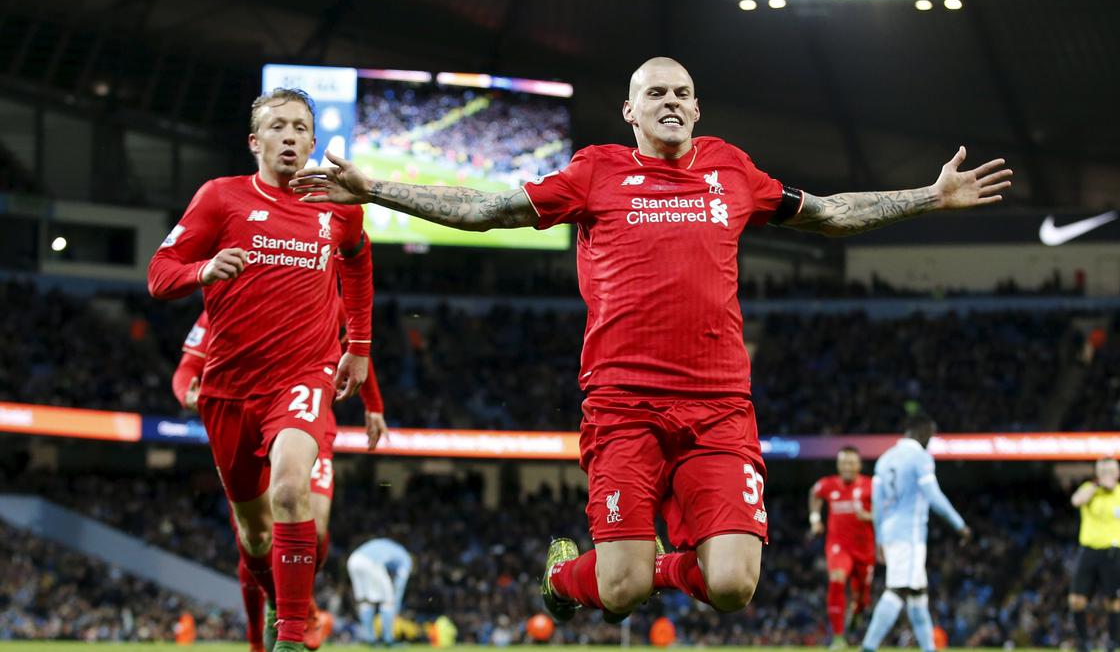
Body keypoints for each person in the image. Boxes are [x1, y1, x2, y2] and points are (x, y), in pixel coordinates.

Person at [289, 56, 1011, 623]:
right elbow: (484, 209)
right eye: (655, 92)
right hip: (623, 407)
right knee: (622, 589)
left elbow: (828, 212)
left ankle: (636, 565)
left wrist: (928, 195)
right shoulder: (594, 172)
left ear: (696, 108)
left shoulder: (733, 170)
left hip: (721, 408)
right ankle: (565, 577)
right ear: (629, 110)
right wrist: (376, 190)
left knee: (732, 585)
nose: (671, 101)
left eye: (683, 92)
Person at [149, 87, 374, 652]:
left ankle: (292, 636)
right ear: (255, 142)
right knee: (253, 534)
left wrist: (361, 346)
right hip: (229, 389)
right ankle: (280, 597)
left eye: (300, 127)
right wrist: (202, 270)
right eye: (278, 127)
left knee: (293, 490)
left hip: (303, 375)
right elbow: (158, 272)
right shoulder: (220, 199)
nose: (290, 136)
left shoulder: (337, 206)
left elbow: (358, 259)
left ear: (314, 142)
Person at [172, 304, 388, 651]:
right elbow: (187, 368)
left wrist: (373, 404)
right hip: (242, 420)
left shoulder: (318, 289)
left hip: (304, 413)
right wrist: (187, 394)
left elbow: (357, 348)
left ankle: (296, 609)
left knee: (313, 528)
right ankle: (264, 634)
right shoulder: (222, 302)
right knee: (255, 536)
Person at [860, 415, 970, 652]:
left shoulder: (884, 459)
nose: (931, 440)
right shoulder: (921, 458)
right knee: (897, 590)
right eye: (930, 434)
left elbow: (877, 505)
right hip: (909, 535)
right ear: (921, 433)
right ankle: (867, 647)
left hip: (890, 534)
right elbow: (933, 495)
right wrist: (959, 524)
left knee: (918, 595)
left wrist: (880, 539)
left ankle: (929, 648)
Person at [1068, 457, 1120, 652]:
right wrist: (1096, 486)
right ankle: (1083, 643)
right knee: (1076, 600)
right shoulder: (1090, 490)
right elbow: (1076, 500)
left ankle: (1112, 644)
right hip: (1089, 550)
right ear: (1098, 474)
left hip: (1114, 553)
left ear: (1118, 474)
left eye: (1111, 472)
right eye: (1103, 472)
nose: (1108, 476)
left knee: (1114, 602)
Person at [810, 446, 874, 647]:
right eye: (843, 462)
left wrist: (869, 516)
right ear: (838, 465)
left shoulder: (871, 486)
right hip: (839, 547)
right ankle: (838, 637)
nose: (847, 467)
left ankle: (857, 612)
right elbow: (814, 492)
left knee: (862, 598)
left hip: (865, 550)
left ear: (859, 465)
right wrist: (814, 519)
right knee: (836, 579)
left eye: (851, 462)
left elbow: (886, 512)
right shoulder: (829, 485)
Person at [346, 538, 413, 646]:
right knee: (388, 601)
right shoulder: (406, 559)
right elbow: (400, 584)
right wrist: (396, 607)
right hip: (371, 562)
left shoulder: (391, 546)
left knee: (365, 601)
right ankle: (388, 640)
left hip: (353, 560)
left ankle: (369, 639)